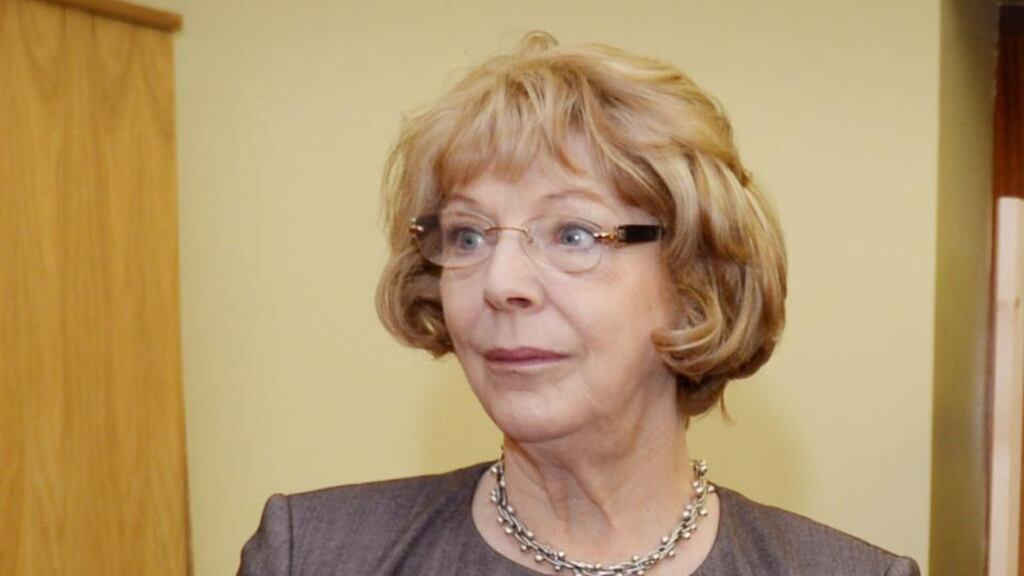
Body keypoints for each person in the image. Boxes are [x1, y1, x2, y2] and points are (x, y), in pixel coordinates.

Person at [238, 32, 920, 576]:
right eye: (469, 234)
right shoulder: (314, 554)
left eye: (571, 233)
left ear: (692, 281)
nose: (502, 280)